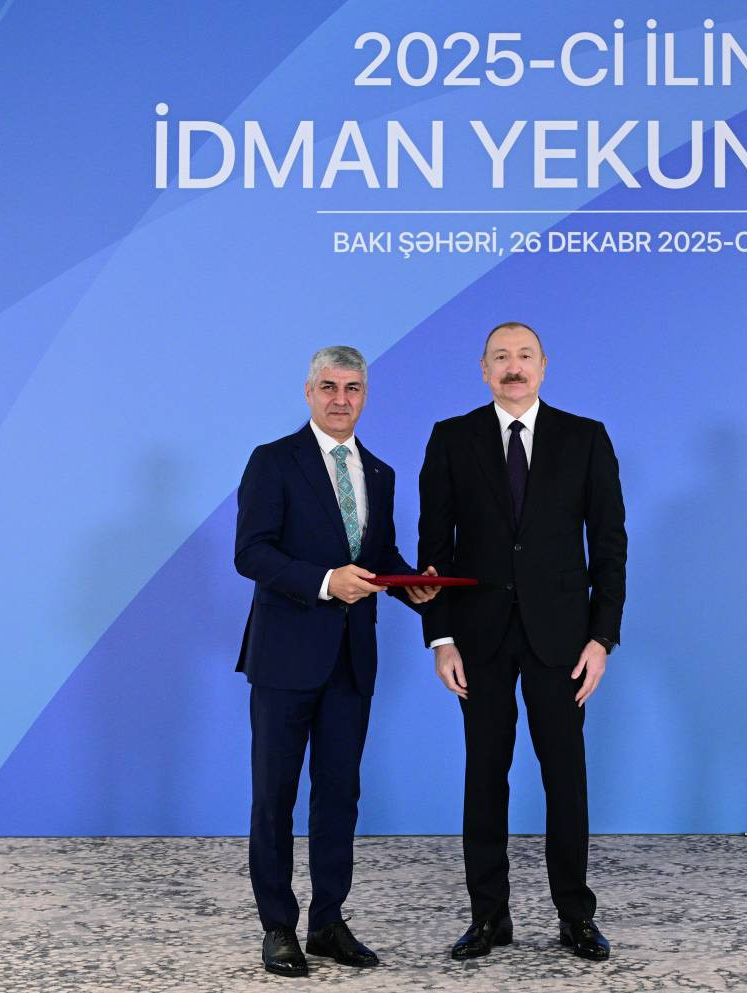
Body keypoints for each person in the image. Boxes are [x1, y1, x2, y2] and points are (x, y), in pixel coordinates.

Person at [418, 322, 627, 962]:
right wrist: (441, 637)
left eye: (525, 356)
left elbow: (609, 545)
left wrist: (602, 638)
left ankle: (575, 916)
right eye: (502, 357)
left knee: (565, 778)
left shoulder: (585, 438)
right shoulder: (451, 438)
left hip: (562, 640)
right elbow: (434, 545)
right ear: (483, 369)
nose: (514, 367)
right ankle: (488, 917)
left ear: (544, 366)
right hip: (476, 638)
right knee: (484, 777)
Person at [235, 345, 438, 978]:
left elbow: (379, 557)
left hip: (351, 661)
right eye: (329, 386)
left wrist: (412, 585)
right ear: (308, 392)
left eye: (352, 388)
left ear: (365, 396)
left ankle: (327, 921)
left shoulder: (379, 472)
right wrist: (325, 582)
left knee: (339, 796)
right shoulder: (273, 461)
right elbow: (252, 553)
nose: (340, 398)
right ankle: (278, 926)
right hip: (284, 658)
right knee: (274, 796)